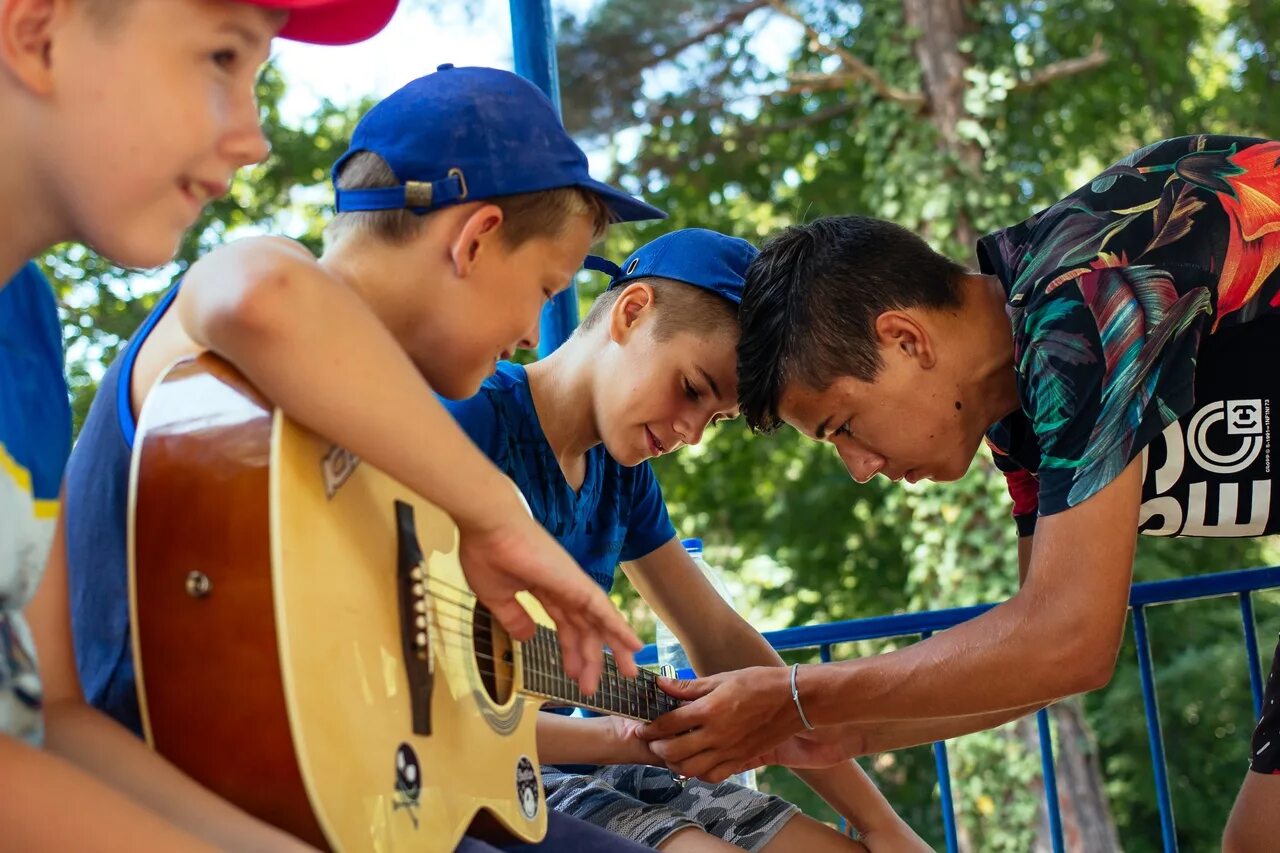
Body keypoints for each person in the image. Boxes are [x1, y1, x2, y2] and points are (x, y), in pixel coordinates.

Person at [62, 64, 673, 851]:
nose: (531, 334)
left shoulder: (393, 442)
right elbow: (255, 292)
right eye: (545, 286)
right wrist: (496, 516)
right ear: (476, 238)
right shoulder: (229, 320)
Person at [639, 134, 1280, 850]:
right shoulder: (1019, 397)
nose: (857, 465)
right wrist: (830, 725)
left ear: (905, 339)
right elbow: (1034, 662)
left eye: (842, 425)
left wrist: (798, 696)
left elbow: (1073, 636)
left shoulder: (1081, 297)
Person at [0, 0, 399, 846]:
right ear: (37, 33)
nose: (252, 138)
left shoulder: (27, 325)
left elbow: (52, 717)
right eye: (222, 58)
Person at [443, 228, 928, 852]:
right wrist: (612, 739)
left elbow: (719, 639)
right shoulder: (467, 418)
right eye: (693, 389)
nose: (692, 434)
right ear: (632, 311)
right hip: (489, 770)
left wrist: (881, 824)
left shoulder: (624, 479)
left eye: (716, 417)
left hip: (590, 763)